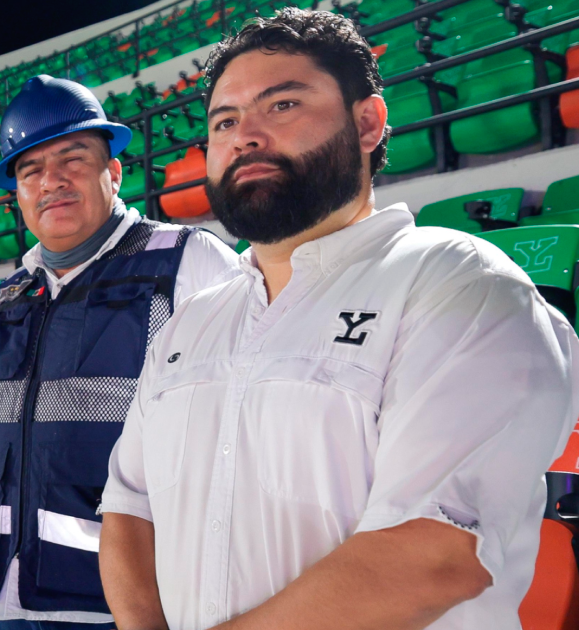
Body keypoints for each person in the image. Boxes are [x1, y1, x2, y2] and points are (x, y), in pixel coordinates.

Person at [98, 9, 579, 630]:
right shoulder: (189, 321)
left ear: (368, 123)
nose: (245, 136)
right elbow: (129, 508)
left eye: (283, 105)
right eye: (224, 121)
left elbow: (434, 557)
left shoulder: (461, 285)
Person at [0, 75, 241, 630]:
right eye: (30, 170)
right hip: (8, 594)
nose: (51, 181)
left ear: (115, 172)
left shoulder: (186, 261)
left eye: (73, 158)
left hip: (125, 604)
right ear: (17, 194)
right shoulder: (12, 293)